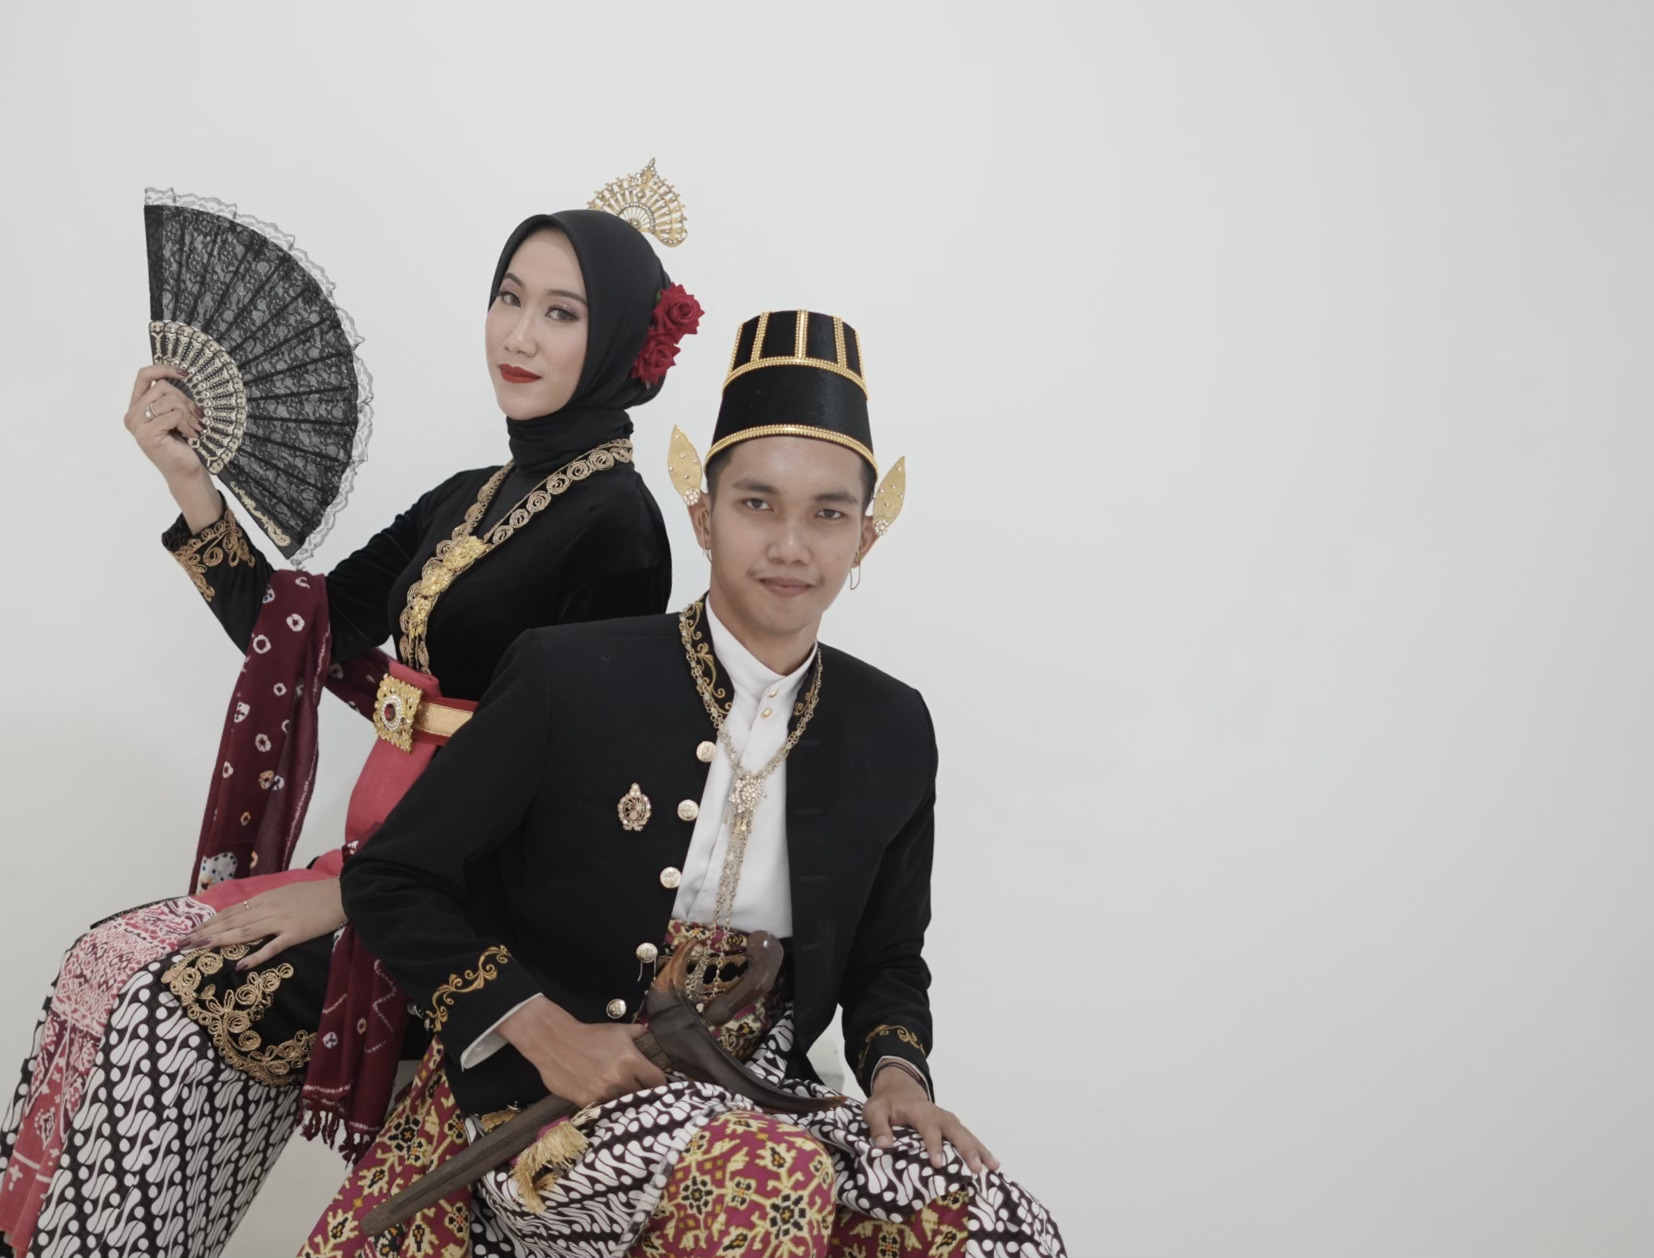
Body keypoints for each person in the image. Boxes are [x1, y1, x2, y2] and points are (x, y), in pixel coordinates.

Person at [0, 187, 703, 1258]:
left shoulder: (620, 530)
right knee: (105, 961)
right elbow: (308, 640)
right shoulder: (472, 494)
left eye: (561, 313)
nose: (518, 334)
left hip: (470, 909)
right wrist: (190, 481)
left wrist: (352, 894)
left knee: (178, 1000)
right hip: (380, 864)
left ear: (616, 343)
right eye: (508, 297)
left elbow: (566, 790)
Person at [309, 310, 1066, 1257]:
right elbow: (394, 877)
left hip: (764, 1093)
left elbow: (886, 957)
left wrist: (898, 1077)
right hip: (550, 1096)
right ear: (703, 516)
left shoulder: (893, 725)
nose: (792, 544)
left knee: (996, 1223)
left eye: (828, 513)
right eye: (758, 504)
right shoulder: (569, 674)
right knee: (769, 1178)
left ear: (867, 539)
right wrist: (540, 1029)